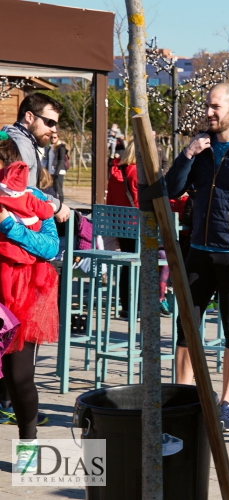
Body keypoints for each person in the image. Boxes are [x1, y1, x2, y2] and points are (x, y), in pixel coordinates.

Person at [166, 82, 229, 432]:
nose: (208, 112)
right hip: (198, 250)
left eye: (215, 107)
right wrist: (188, 154)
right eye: (207, 106)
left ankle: (226, 403)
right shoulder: (201, 146)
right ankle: (184, 397)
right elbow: (171, 188)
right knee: (185, 327)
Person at [0, 134, 59, 472]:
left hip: (26, 296)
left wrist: (8, 225)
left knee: (18, 377)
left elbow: (50, 248)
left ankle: (29, 446)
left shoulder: (35, 199)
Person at [106, 142, 171, 317]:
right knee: (149, 261)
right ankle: (147, 303)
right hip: (138, 227)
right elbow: (141, 202)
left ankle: (126, 306)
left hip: (121, 227)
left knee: (128, 264)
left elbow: (110, 203)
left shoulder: (114, 173)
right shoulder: (138, 174)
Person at [2, 93, 70, 224]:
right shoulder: (22, 146)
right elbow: (20, 192)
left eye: (55, 124)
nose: (53, 129)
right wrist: (57, 206)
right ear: (29, 117)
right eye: (49, 122)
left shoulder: (11, 138)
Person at [43, 131, 67, 202]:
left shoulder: (61, 147)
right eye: (51, 137)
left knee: (58, 189)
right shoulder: (51, 147)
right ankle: (55, 204)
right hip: (51, 172)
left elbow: (61, 160)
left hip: (58, 172)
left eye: (55, 137)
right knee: (52, 189)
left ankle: (61, 205)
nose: (53, 139)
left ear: (58, 138)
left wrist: (57, 171)